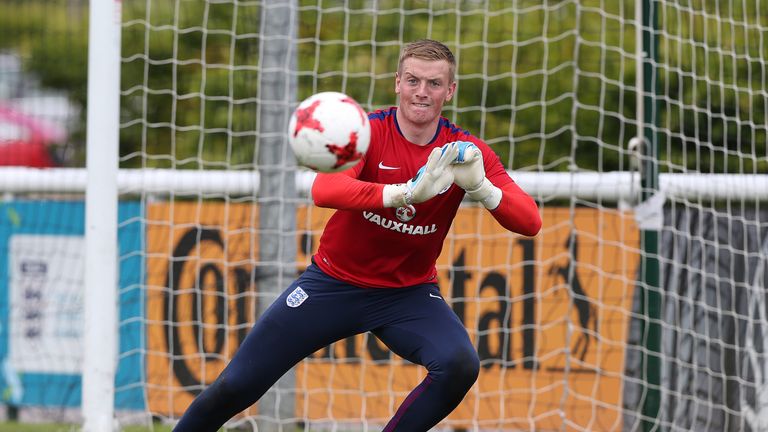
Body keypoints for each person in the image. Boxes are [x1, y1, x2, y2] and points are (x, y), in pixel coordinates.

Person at [173, 39, 541, 432]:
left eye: (434, 84)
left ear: (450, 91)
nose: (422, 92)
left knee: (459, 364)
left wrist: (483, 188)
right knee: (236, 385)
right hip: (333, 284)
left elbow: (530, 221)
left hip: (408, 294)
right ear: (397, 82)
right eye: (413, 80)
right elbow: (324, 191)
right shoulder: (366, 133)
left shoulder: (465, 152)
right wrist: (403, 193)